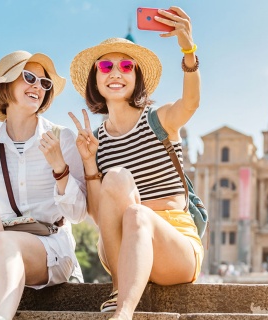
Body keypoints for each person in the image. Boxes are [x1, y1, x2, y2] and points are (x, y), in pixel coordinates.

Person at [68, 6, 202, 320]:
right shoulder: (96, 139)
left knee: (139, 216)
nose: (116, 72)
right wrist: (89, 163)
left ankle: (122, 313)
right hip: (121, 250)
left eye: (127, 66)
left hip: (175, 247)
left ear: (137, 77)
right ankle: (119, 290)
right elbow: (101, 218)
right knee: (115, 179)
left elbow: (192, 102)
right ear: (95, 79)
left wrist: (189, 51)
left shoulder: (160, 120)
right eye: (106, 66)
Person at [0, 50, 87, 320]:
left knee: (4, 240)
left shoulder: (62, 138)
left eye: (44, 83)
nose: (38, 86)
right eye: (29, 77)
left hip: (50, 249)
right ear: (6, 85)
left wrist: (60, 168)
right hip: (0, 250)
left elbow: (78, 214)